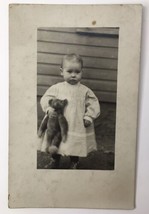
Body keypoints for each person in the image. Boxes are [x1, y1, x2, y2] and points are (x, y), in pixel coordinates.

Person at [38, 53, 100, 169]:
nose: (73, 75)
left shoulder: (84, 90)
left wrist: (89, 116)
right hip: (57, 123)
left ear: (82, 72)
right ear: (61, 71)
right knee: (56, 142)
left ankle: (74, 161)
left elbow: (93, 103)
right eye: (69, 71)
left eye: (77, 72)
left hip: (76, 123)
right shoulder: (57, 88)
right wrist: (48, 109)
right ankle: (55, 160)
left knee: (74, 143)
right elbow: (46, 98)